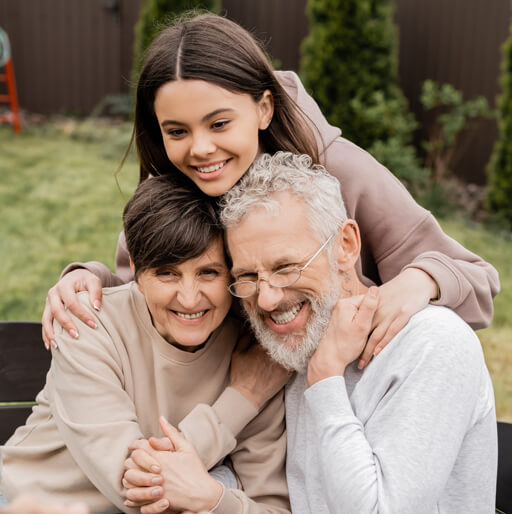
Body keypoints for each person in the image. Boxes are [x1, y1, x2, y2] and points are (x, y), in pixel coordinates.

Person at [42, 13, 499, 364]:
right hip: (241, 428)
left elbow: (475, 280)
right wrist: (90, 279)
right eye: (176, 131)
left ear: (263, 108)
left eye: (219, 123)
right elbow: (146, 291)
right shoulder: (171, 195)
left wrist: (421, 281)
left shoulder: (341, 170)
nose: (200, 149)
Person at [216, 152, 497, 513]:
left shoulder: (433, 344)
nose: (267, 298)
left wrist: (326, 379)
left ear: (345, 246)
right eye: (248, 277)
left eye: (286, 267)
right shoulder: (293, 344)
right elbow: (268, 480)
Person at [0, 175, 290, 514]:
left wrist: (214, 500)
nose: (189, 298)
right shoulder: (88, 324)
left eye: (209, 272)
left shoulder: (252, 358)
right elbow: (136, 489)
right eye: (167, 273)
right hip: (24, 503)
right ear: (136, 269)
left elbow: (271, 508)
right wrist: (242, 400)